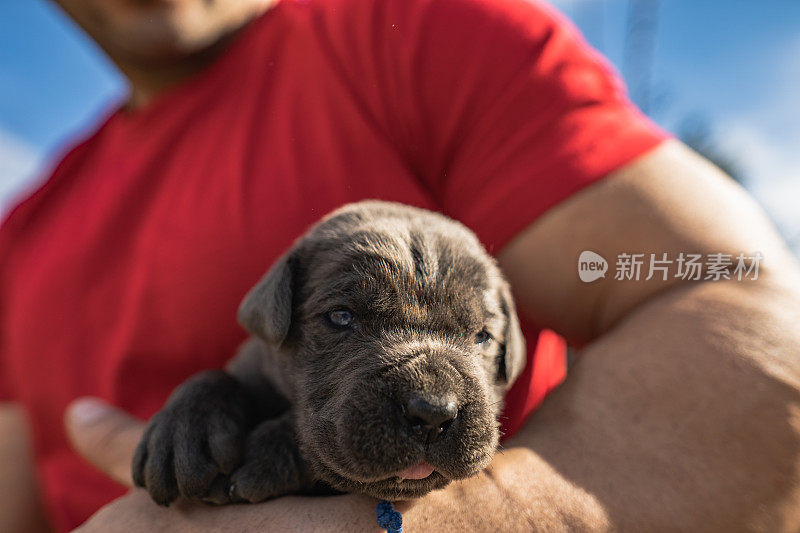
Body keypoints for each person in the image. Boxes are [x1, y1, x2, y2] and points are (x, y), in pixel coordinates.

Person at [1, 0, 799, 530]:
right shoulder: (22, 231)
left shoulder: (415, 30)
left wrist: (448, 518)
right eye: (344, 318)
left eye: (479, 337)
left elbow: (755, 323)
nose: (429, 391)